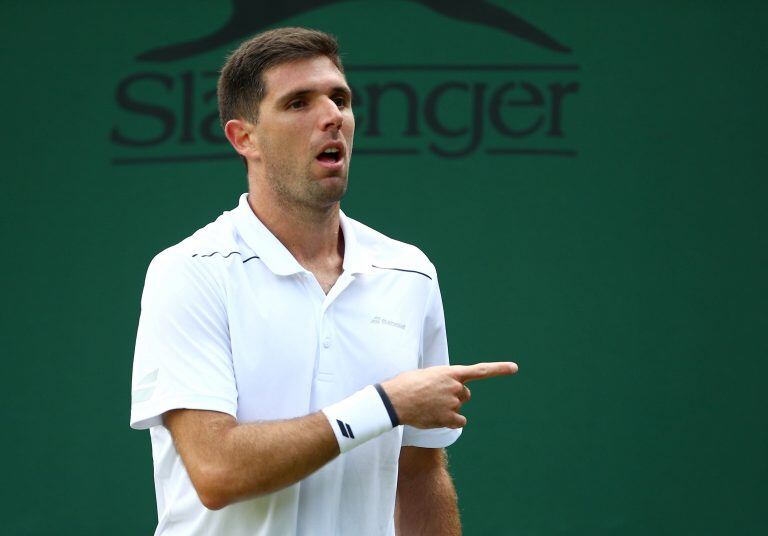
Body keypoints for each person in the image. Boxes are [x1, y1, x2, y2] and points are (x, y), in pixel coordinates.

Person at [130, 27, 517, 536]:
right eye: (298, 103)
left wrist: (391, 411)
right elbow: (217, 471)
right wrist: (384, 405)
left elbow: (419, 472)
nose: (332, 116)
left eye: (340, 98)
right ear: (244, 138)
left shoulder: (409, 273)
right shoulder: (190, 271)